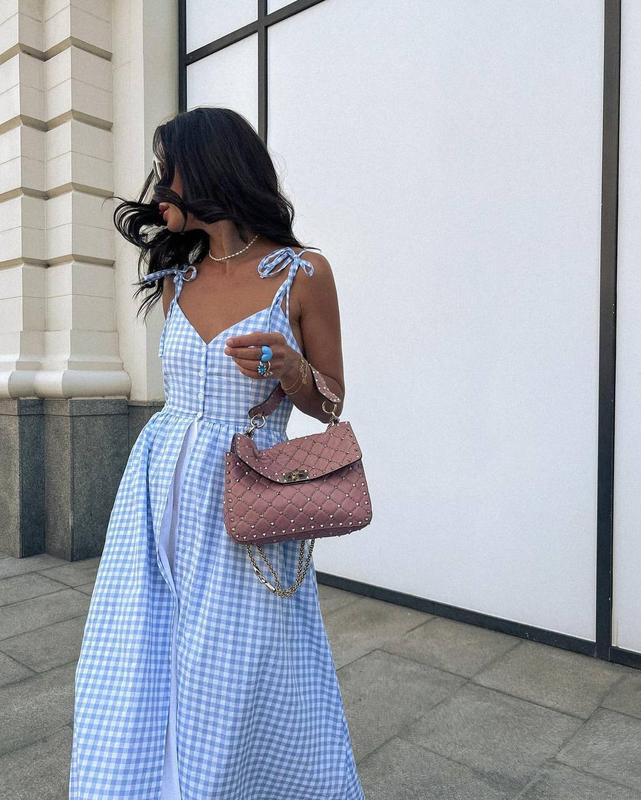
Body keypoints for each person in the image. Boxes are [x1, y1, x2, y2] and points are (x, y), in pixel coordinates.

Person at [68, 106, 365, 799]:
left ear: (207, 171)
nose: (157, 188)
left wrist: (292, 369)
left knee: (238, 663)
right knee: (142, 647)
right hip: (156, 493)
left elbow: (330, 403)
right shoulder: (176, 278)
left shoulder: (302, 273)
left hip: (244, 497)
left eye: (166, 170)